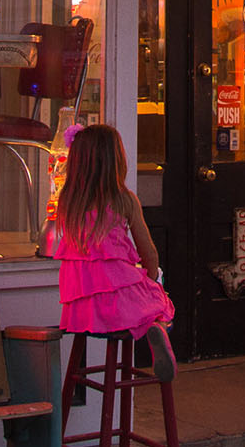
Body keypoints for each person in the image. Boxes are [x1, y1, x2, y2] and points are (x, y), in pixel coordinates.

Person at [46, 123, 176, 380]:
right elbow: (148, 253)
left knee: (139, 294)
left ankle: (149, 323)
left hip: (81, 309)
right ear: (116, 159)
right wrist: (151, 280)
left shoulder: (67, 201)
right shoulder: (124, 199)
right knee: (160, 302)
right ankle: (156, 328)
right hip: (120, 306)